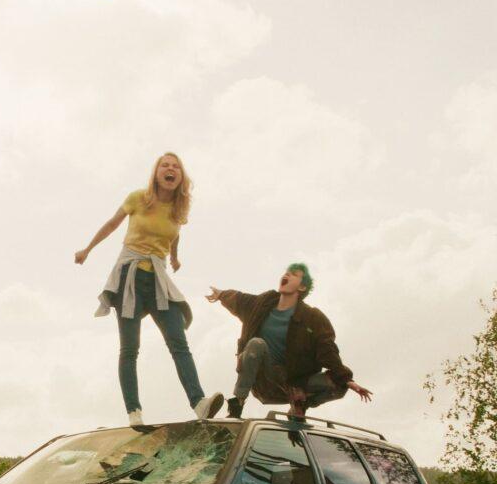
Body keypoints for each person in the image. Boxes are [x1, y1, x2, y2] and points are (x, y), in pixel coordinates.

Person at [75, 152, 223, 427]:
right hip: (129, 278)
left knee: (178, 341)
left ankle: (199, 402)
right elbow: (112, 224)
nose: (170, 169)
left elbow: (174, 235)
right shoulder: (138, 198)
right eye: (165, 165)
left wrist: (175, 257)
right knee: (130, 347)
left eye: (175, 166)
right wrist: (88, 249)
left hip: (157, 279)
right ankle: (134, 411)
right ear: (156, 173)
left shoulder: (178, 211)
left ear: (180, 177)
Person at [206, 263, 373, 419]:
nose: (286, 275)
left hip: (293, 382)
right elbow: (240, 300)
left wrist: (347, 380)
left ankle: (301, 404)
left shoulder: (312, 317)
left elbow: (326, 348)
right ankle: (238, 403)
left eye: (293, 274)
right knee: (256, 344)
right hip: (266, 380)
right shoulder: (263, 304)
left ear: (302, 287)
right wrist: (220, 294)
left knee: (340, 383)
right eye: (286, 272)